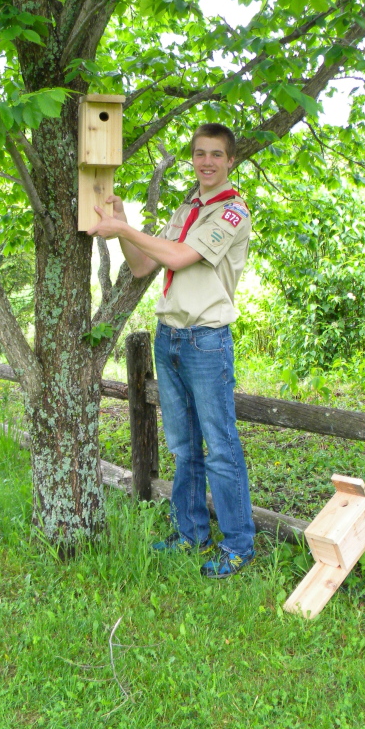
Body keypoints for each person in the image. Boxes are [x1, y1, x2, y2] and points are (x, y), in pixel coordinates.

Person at [87, 122, 255, 578]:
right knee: (184, 446)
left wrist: (122, 225)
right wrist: (125, 225)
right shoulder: (187, 209)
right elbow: (143, 265)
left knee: (220, 446)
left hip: (205, 340)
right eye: (199, 153)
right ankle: (191, 535)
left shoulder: (231, 212)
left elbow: (180, 258)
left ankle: (239, 544)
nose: (206, 162)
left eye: (216, 154)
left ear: (230, 160)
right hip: (171, 338)